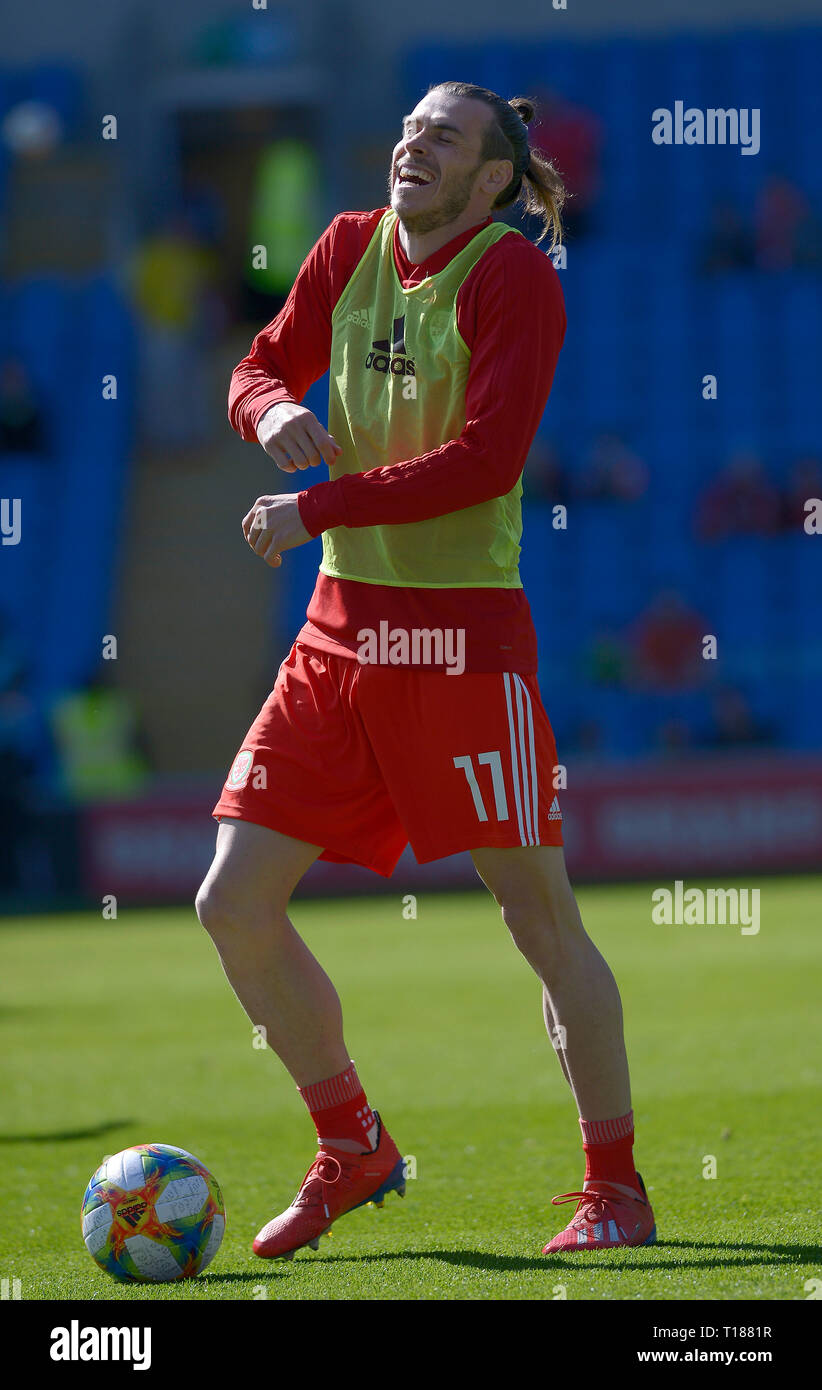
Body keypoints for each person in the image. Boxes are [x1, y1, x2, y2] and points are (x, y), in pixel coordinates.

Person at [196, 81, 656, 1261]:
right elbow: (255, 362)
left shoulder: (513, 276)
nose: (413, 143)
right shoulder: (349, 244)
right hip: (338, 630)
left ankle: (617, 1188)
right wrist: (266, 415)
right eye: (408, 127)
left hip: (460, 639)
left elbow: (487, 458)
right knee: (232, 902)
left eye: (444, 136)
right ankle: (353, 1145)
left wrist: (321, 501)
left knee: (539, 916)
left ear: (494, 179)